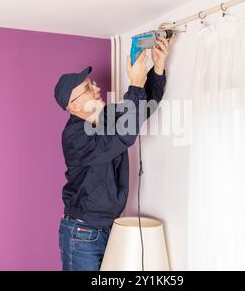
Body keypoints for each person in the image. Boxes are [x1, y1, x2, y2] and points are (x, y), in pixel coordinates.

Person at [54, 36, 172, 271]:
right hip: (82, 233)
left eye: (92, 83)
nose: (97, 88)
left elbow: (142, 107)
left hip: (106, 228)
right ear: (74, 106)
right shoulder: (74, 136)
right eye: (88, 88)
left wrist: (157, 68)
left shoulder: (103, 116)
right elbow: (124, 135)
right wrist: (135, 84)